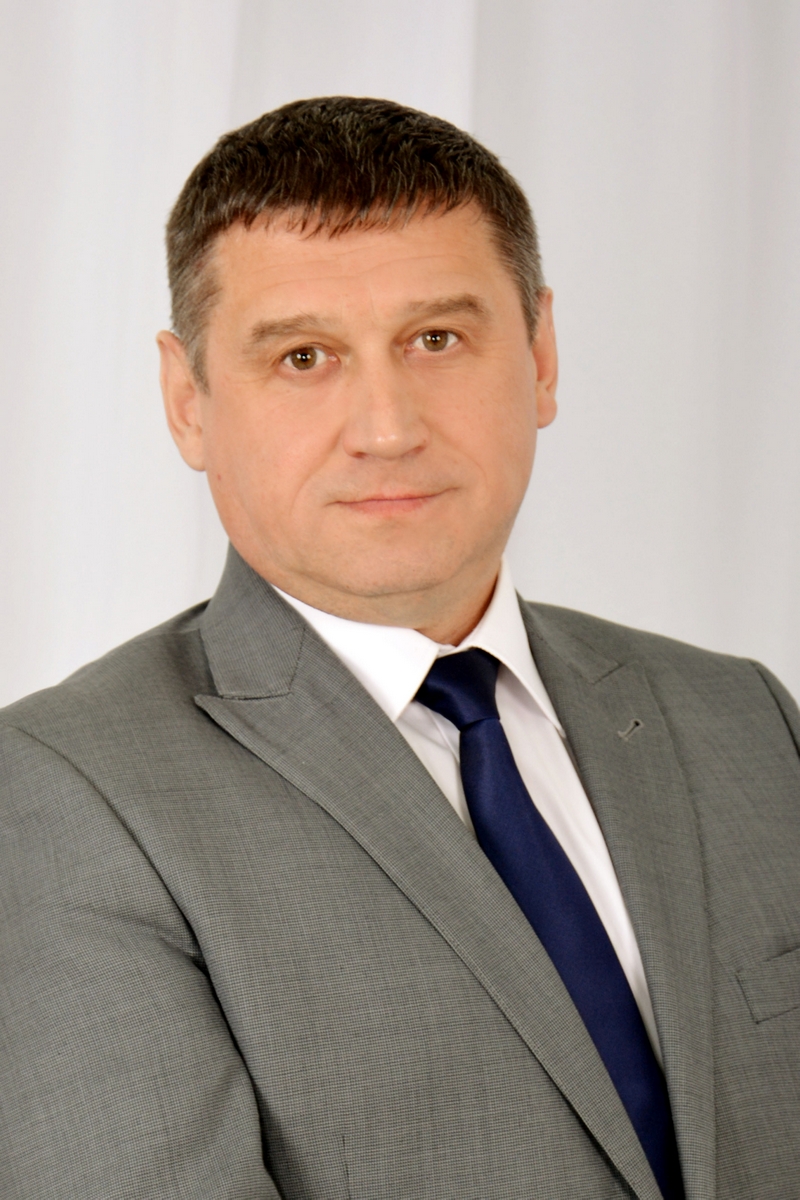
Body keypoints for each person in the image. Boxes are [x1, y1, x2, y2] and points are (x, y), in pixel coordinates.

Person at [1, 96, 798, 1200]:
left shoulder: (745, 719)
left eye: (436, 339)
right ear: (188, 403)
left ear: (540, 356)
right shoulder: (61, 798)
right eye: (303, 356)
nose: (386, 427)